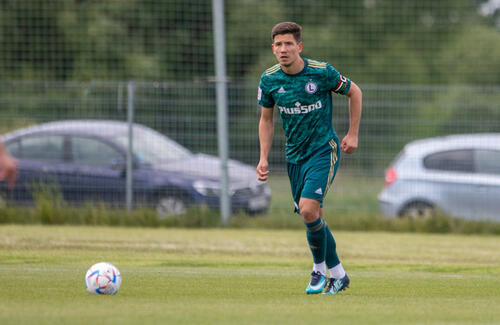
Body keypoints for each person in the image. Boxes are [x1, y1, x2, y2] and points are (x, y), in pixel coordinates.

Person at [256, 22, 362, 295]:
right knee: (314, 217)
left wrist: (352, 134)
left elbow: (355, 92)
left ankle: (318, 270)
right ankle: (339, 276)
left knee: (308, 210)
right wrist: (263, 157)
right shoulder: (269, 79)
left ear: (299, 46)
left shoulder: (321, 72)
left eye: (288, 44)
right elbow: (266, 120)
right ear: (273, 48)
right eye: (278, 44)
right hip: (294, 157)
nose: (283, 49)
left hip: (323, 150)